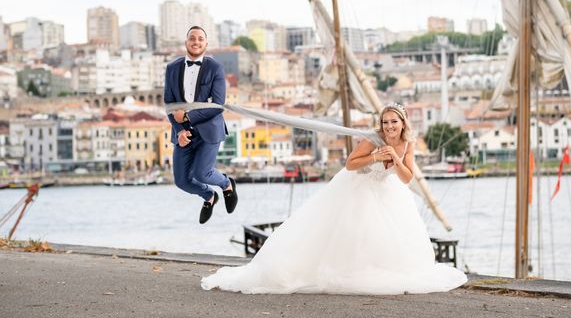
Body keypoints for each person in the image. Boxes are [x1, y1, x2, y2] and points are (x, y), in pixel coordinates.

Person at [201, 103, 467, 294]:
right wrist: (376, 155)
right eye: (385, 122)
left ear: (403, 124)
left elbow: (407, 178)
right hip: (358, 186)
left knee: (386, 237)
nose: (389, 127)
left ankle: (374, 269)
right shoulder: (372, 139)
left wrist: (394, 157)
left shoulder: (408, 143)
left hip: (387, 192)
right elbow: (351, 164)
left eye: (394, 122)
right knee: (349, 231)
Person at [164, 26, 238, 224]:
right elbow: (169, 104)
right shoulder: (172, 68)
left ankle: (226, 184)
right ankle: (209, 197)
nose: (196, 42)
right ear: (186, 42)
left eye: (200, 39)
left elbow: (218, 105)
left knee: (201, 173)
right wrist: (179, 130)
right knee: (182, 181)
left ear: (206, 44)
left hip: (209, 129)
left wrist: (187, 118)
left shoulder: (216, 68)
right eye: (192, 38)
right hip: (183, 133)